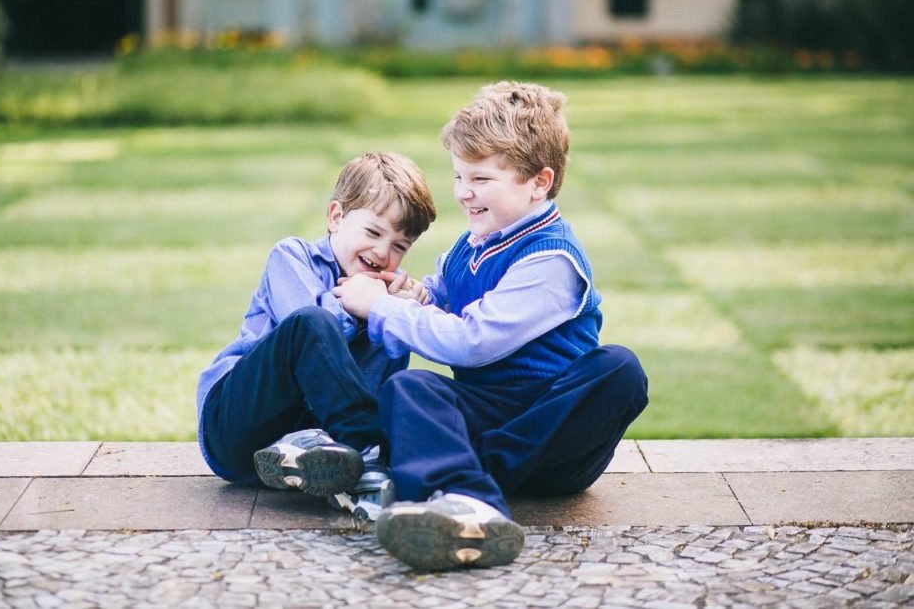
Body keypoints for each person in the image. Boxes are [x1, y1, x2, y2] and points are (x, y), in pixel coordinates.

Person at [334, 82, 649, 571]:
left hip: (551, 427)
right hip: (487, 412)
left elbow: (472, 341)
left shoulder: (552, 260)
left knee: (619, 369)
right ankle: (461, 495)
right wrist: (408, 294)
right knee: (410, 387)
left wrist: (381, 309)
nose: (464, 192)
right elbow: (439, 295)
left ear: (538, 182)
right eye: (459, 176)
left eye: (480, 179)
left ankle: (451, 488)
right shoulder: (472, 244)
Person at [197, 151, 436, 518]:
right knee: (312, 323)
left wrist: (399, 316)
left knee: (410, 393)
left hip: (312, 447)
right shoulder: (292, 257)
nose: (382, 251)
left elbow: (381, 385)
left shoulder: (384, 302)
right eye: (373, 232)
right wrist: (365, 308)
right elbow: (312, 331)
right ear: (336, 217)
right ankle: (367, 453)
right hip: (237, 428)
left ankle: (333, 463)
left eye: (400, 246)